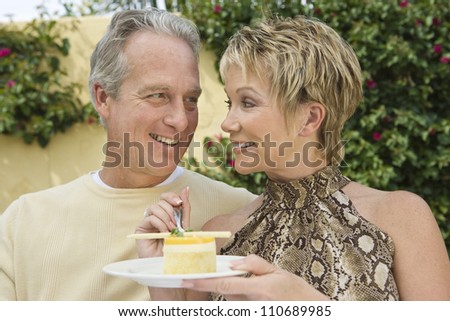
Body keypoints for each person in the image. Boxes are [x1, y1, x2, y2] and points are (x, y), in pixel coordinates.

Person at [135, 15, 450, 300]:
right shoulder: (219, 235)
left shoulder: (402, 217)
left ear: (310, 118)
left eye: (247, 102)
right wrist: (160, 272)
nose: (227, 123)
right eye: (230, 102)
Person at [0, 9, 256, 301]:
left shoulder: (243, 215)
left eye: (190, 100)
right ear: (104, 98)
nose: (181, 121)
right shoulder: (22, 224)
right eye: (158, 95)